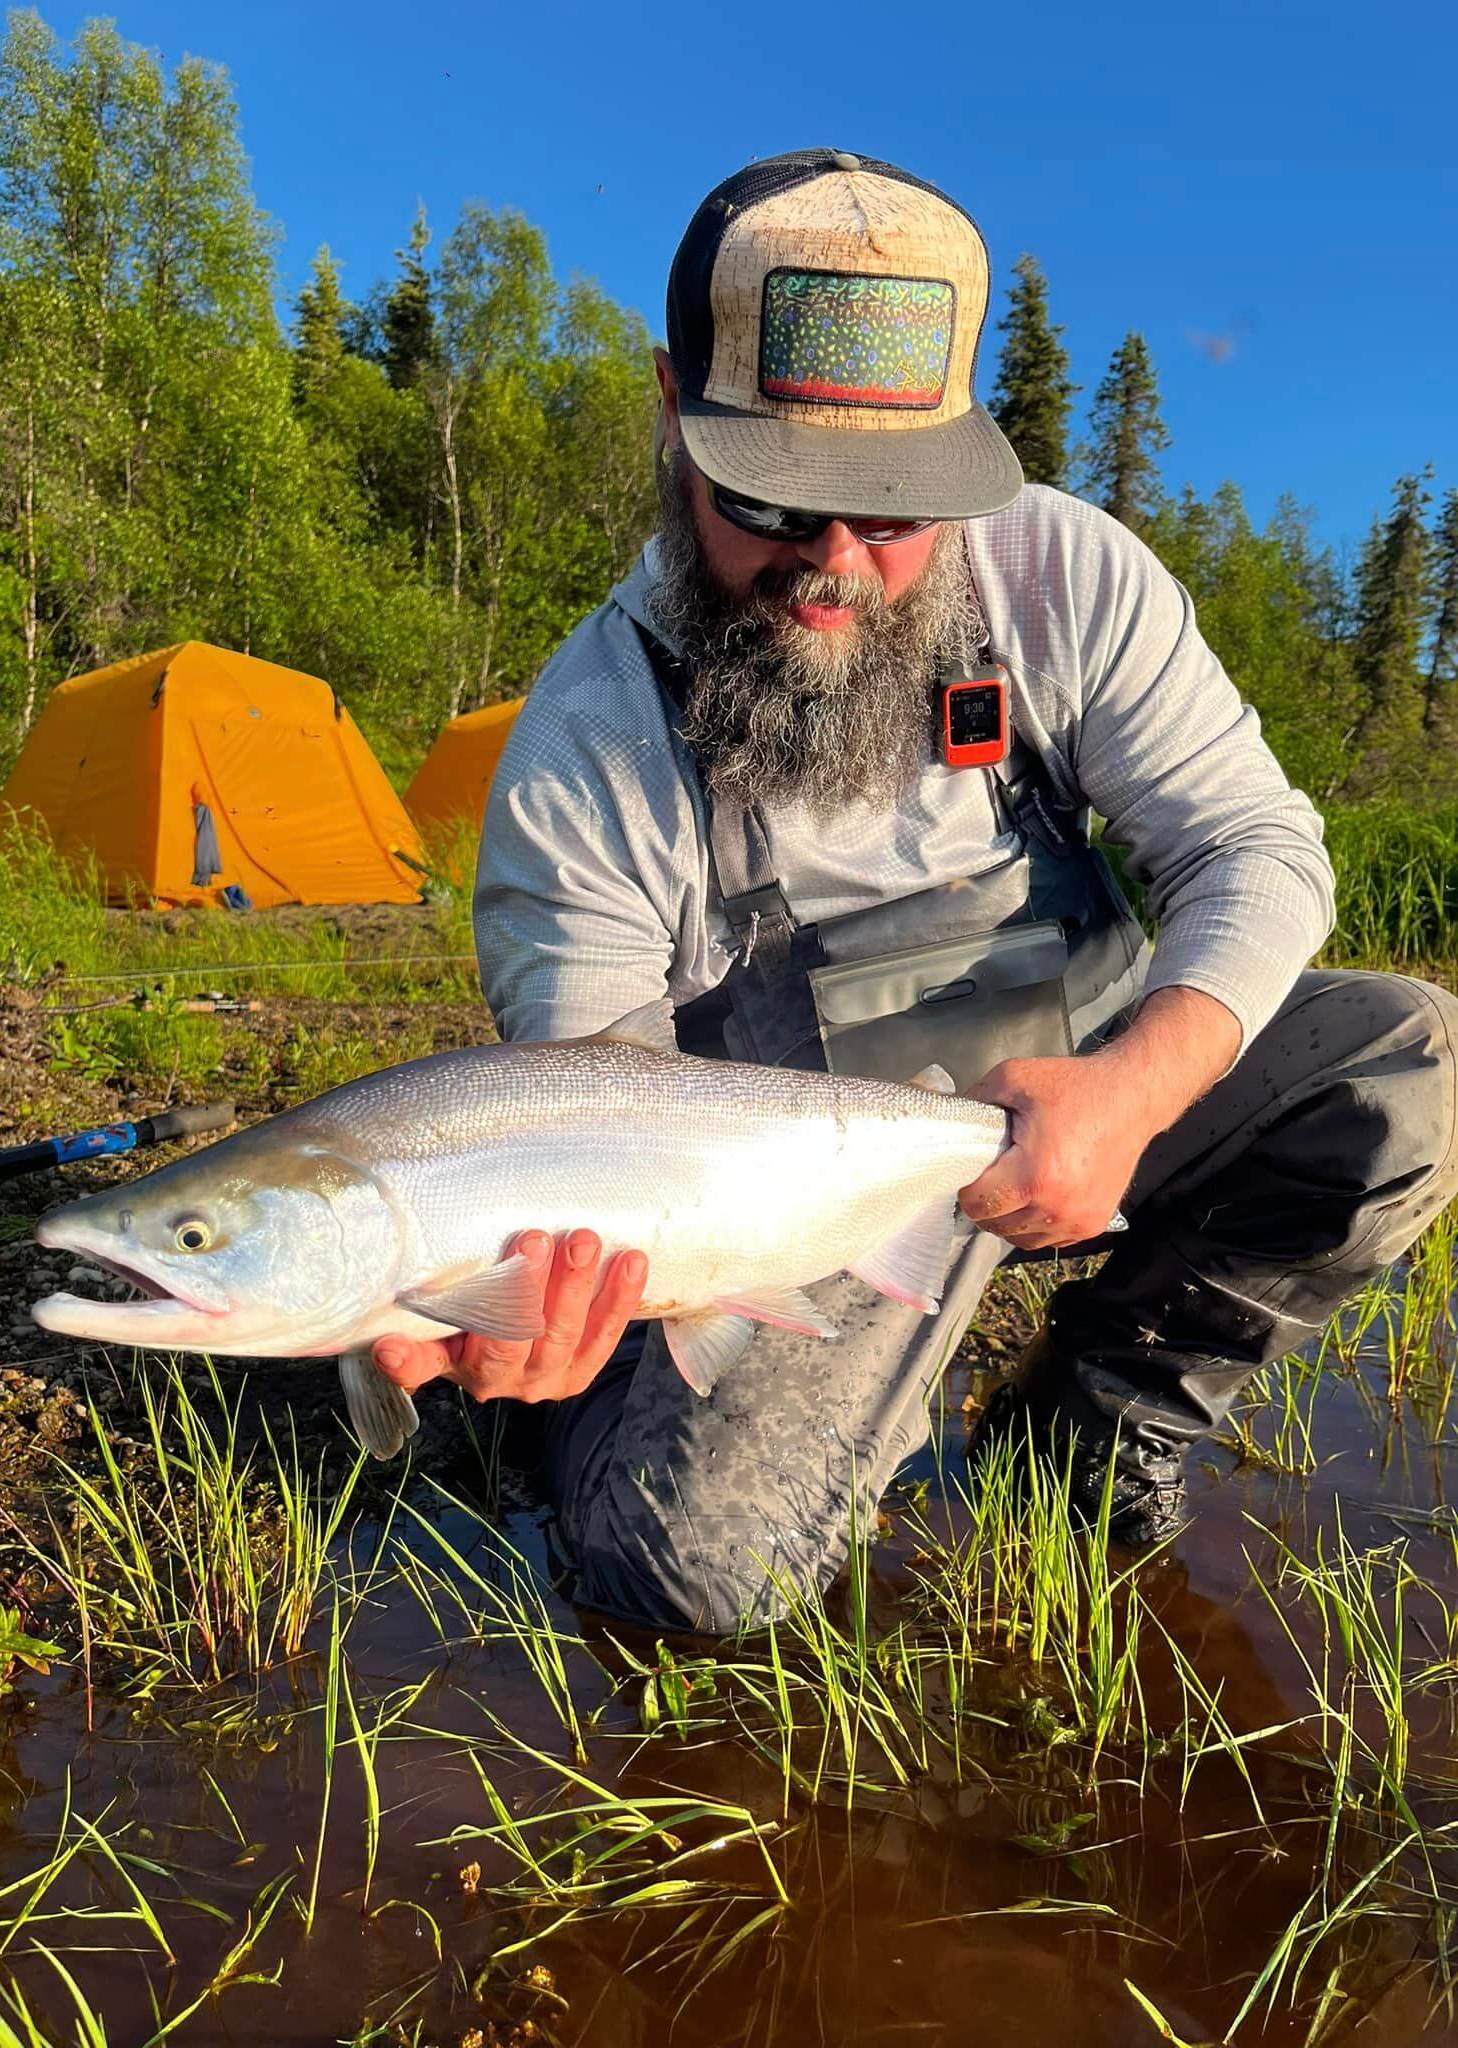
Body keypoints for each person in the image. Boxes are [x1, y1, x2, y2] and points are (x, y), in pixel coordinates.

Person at [371, 149, 1458, 1632]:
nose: (835, 565)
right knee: (694, 1577)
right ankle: (587, 1419)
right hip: (788, 1200)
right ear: (672, 418)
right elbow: (583, 1110)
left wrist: (1133, 1089)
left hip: (1078, 1086)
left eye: (890, 509)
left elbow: (1255, 851)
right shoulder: (592, 738)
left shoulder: (1063, 577)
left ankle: (1097, 1409)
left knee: (1408, 1066)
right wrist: (530, 1303)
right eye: (774, 498)